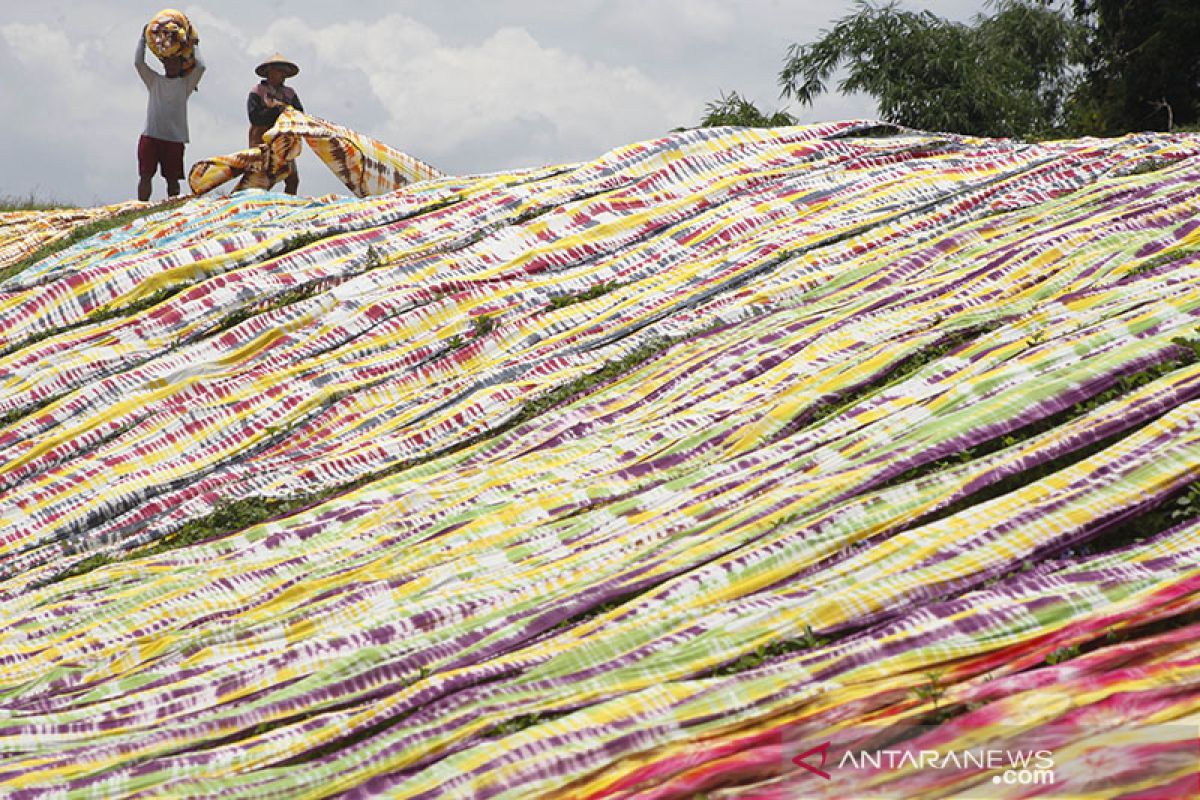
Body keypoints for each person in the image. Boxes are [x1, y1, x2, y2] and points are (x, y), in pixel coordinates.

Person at [134, 28, 205, 201]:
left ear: (181, 65)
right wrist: (142, 39)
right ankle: (141, 206)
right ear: (164, 64)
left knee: (172, 180)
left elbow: (201, 66)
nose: (172, 65)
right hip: (151, 135)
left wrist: (194, 44)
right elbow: (139, 64)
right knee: (145, 175)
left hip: (174, 138)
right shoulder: (154, 81)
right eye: (169, 62)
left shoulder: (185, 85)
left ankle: (171, 209)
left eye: (176, 62)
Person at [247, 54, 304, 195]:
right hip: (262, 142)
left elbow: (300, 113)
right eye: (279, 71)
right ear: (270, 72)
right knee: (262, 180)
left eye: (284, 72)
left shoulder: (289, 94)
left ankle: (288, 206)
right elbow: (254, 117)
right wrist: (277, 111)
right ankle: (258, 206)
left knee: (292, 179)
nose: (282, 75)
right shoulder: (258, 91)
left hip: (284, 142)